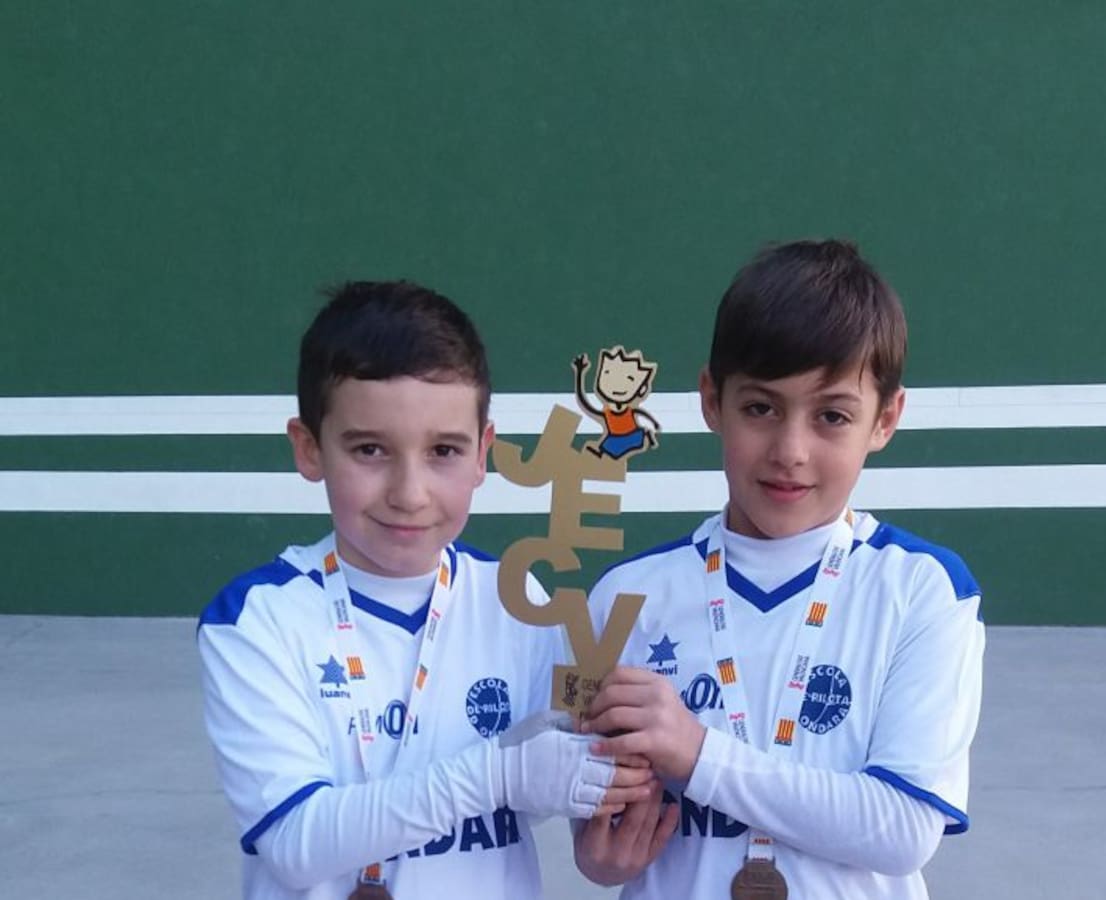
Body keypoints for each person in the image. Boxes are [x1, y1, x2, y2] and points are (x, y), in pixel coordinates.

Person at [198, 281, 652, 900]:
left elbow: (543, 789)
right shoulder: (256, 618)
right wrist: (499, 772)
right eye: (370, 449)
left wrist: (601, 830)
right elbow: (296, 845)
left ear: (483, 453)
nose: (409, 493)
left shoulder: (519, 602)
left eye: (443, 450)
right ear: (309, 449)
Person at [576, 240, 985, 899]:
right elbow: (593, 821)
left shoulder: (923, 589)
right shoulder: (626, 598)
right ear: (712, 400)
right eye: (761, 409)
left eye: (832, 416)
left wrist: (699, 754)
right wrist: (602, 856)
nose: (790, 451)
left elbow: (904, 829)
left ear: (885, 419)